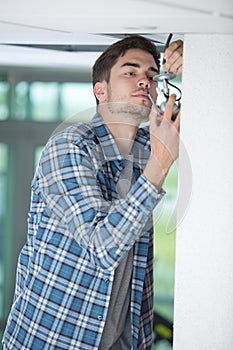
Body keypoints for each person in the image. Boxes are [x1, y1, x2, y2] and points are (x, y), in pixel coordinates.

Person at [3, 35, 183, 349]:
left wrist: (196, 63)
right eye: (130, 72)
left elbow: (215, 119)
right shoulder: (71, 145)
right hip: (52, 341)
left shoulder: (148, 146)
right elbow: (101, 249)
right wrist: (159, 166)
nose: (144, 80)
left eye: (153, 76)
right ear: (101, 90)